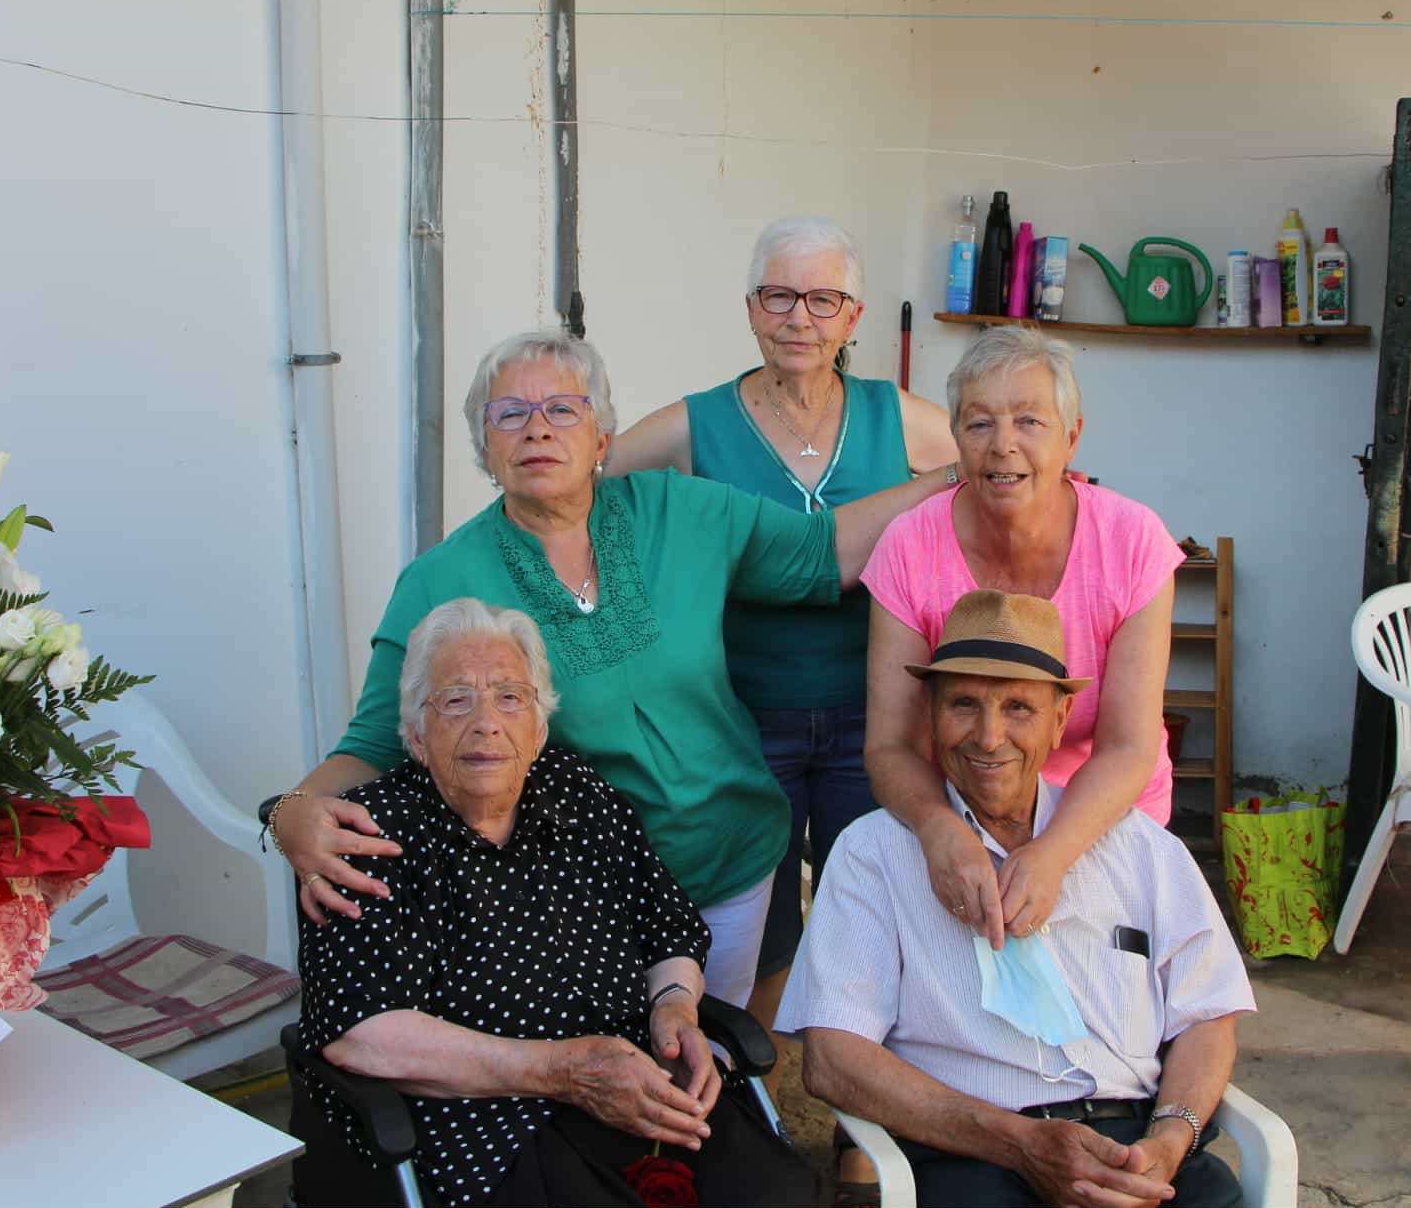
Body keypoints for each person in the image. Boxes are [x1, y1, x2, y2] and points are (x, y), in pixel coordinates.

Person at [267, 329, 956, 1006]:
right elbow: (373, 745)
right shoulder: (439, 580)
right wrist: (292, 813)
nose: (538, 428)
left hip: (734, 861)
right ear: (485, 446)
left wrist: (961, 474)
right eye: (510, 413)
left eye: (563, 408)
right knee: (612, 1061)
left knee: (713, 1046)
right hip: (580, 894)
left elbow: (821, 550)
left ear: (601, 439)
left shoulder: (681, 510)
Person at [293, 598, 811, 1208]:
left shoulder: (579, 794)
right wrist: (563, 1070)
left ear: (538, 730)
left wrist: (674, 1008)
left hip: (633, 1082)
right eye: (456, 700)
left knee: (777, 1193)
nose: (487, 722)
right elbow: (359, 1032)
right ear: (416, 736)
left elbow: (667, 925)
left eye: (510, 697)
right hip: (485, 1126)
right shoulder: (370, 833)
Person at [777, 590, 1255, 1208]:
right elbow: (833, 1059)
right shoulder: (874, 853)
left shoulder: (1142, 848)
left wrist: (1169, 1141)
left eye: (1019, 707)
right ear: (930, 712)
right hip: (974, 1153)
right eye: (964, 704)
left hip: (1137, 1147)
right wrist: (1018, 1143)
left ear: (1060, 720)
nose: (989, 736)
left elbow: (1207, 1017)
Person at [611, 216, 958, 1025]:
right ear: (750, 308)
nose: (800, 317)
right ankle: (751, 1078)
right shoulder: (696, 424)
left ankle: (862, 1095)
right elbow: (587, 487)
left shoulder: (898, 417)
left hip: (876, 716)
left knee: (876, 914)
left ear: (853, 316)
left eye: (823, 299)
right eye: (779, 296)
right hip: (743, 719)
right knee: (757, 934)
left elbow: (995, 466)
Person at [861, 323, 1184, 953]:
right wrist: (940, 829)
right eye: (980, 423)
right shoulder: (908, 545)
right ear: (956, 438)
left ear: (1072, 436)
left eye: (1029, 421)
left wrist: (1052, 852)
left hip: (1101, 813)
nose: (1003, 445)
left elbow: (1127, 745)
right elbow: (891, 744)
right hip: (962, 805)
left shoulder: (1132, 542)